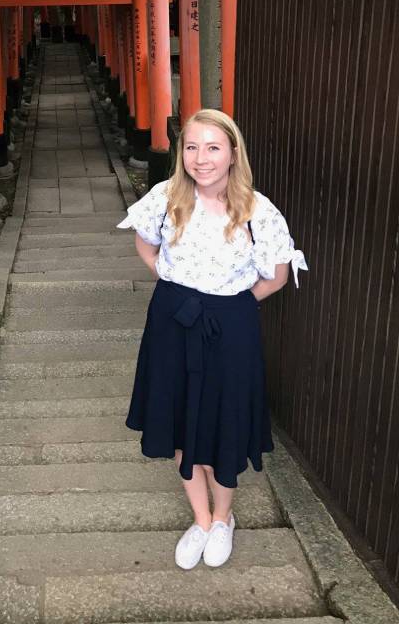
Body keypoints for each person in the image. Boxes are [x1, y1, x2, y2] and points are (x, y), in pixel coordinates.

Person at [117, 108, 307, 571]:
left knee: (223, 421)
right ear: (182, 153)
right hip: (172, 321)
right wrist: (169, 279)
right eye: (191, 147)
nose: (201, 159)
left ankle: (224, 518)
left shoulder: (257, 211)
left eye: (213, 148)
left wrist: (234, 306)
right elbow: (145, 242)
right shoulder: (166, 197)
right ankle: (200, 519)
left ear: (233, 154)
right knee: (181, 415)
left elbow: (277, 276)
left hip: (230, 327)